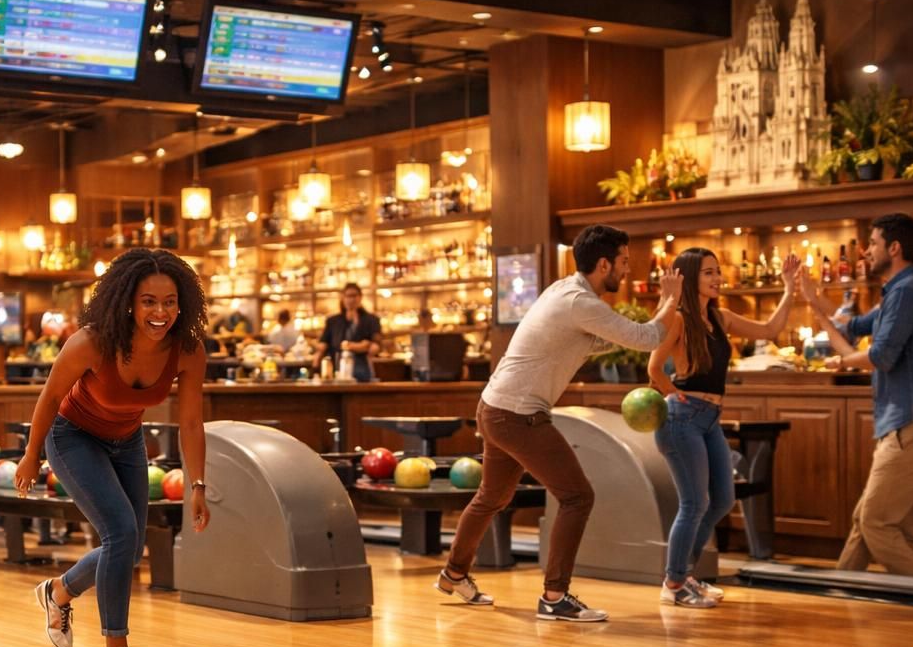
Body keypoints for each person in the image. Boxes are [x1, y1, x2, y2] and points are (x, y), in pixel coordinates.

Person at [435, 224, 680, 621]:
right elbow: (646, 337)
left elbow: (609, 338)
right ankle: (554, 596)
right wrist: (669, 300)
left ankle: (453, 574)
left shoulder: (566, 292)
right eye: (622, 262)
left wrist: (656, 316)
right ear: (603, 264)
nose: (626, 270)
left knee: (492, 497)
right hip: (517, 414)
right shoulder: (579, 302)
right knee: (577, 496)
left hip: (495, 406)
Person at [14, 248, 210, 647]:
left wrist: (197, 483)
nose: (160, 312)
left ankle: (59, 592)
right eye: (148, 301)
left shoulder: (188, 351)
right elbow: (48, 398)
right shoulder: (92, 341)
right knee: (122, 534)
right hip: (71, 437)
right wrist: (31, 454)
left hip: (127, 442)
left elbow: (192, 422)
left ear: (182, 305)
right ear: (128, 301)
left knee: (128, 542)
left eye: (169, 302)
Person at [796, 213, 913, 576]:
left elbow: (881, 356)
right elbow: (848, 329)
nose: (866, 252)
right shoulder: (900, 291)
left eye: (873, 244)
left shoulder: (908, 291)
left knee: (876, 523)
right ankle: (843, 598)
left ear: (894, 248)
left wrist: (845, 360)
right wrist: (812, 298)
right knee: (881, 525)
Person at [647, 247, 797, 607]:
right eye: (708, 273)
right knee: (694, 503)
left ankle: (685, 574)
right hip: (682, 418)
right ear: (688, 278)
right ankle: (673, 584)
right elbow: (654, 369)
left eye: (717, 272)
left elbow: (771, 329)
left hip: (710, 419)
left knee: (722, 500)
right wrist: (675, 396)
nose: (718, 279)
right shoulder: (679, 319)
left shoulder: (721, 317)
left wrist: (790, 289)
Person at [314, 283, 381, 382]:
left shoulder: (372, 320)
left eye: (354, 296)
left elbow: (375, 345)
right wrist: (316, 359)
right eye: (348, 296)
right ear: (343, 298)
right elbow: (323, 344)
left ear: (360, 297)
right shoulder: (333, 321)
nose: (351, 300)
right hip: (337, 367)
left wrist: (366, 346)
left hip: (362, 368)